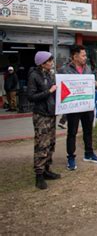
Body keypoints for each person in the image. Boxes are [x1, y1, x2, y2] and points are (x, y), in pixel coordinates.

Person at [60, 45, 97, 170]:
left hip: (87, 106)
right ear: (75, 56)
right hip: (73, 108)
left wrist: (95, 84)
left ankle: (89, 153)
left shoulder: (88, 68)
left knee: (88, 131)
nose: (85, 58)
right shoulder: (64, 70)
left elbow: (94, 84)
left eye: (85, 55)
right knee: (72, 132)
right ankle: (71, 157)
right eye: (83, 55)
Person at [27, 51, 60, 189]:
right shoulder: (34, 76)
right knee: (41, 144)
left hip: (50, 113)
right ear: (42, 63)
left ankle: (47, 170)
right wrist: (49, 91)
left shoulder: (49, 74)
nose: (51, 62)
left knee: (51, 143)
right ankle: (39, 175)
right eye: (49, 60)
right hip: (41, 115)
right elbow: (31, 96)